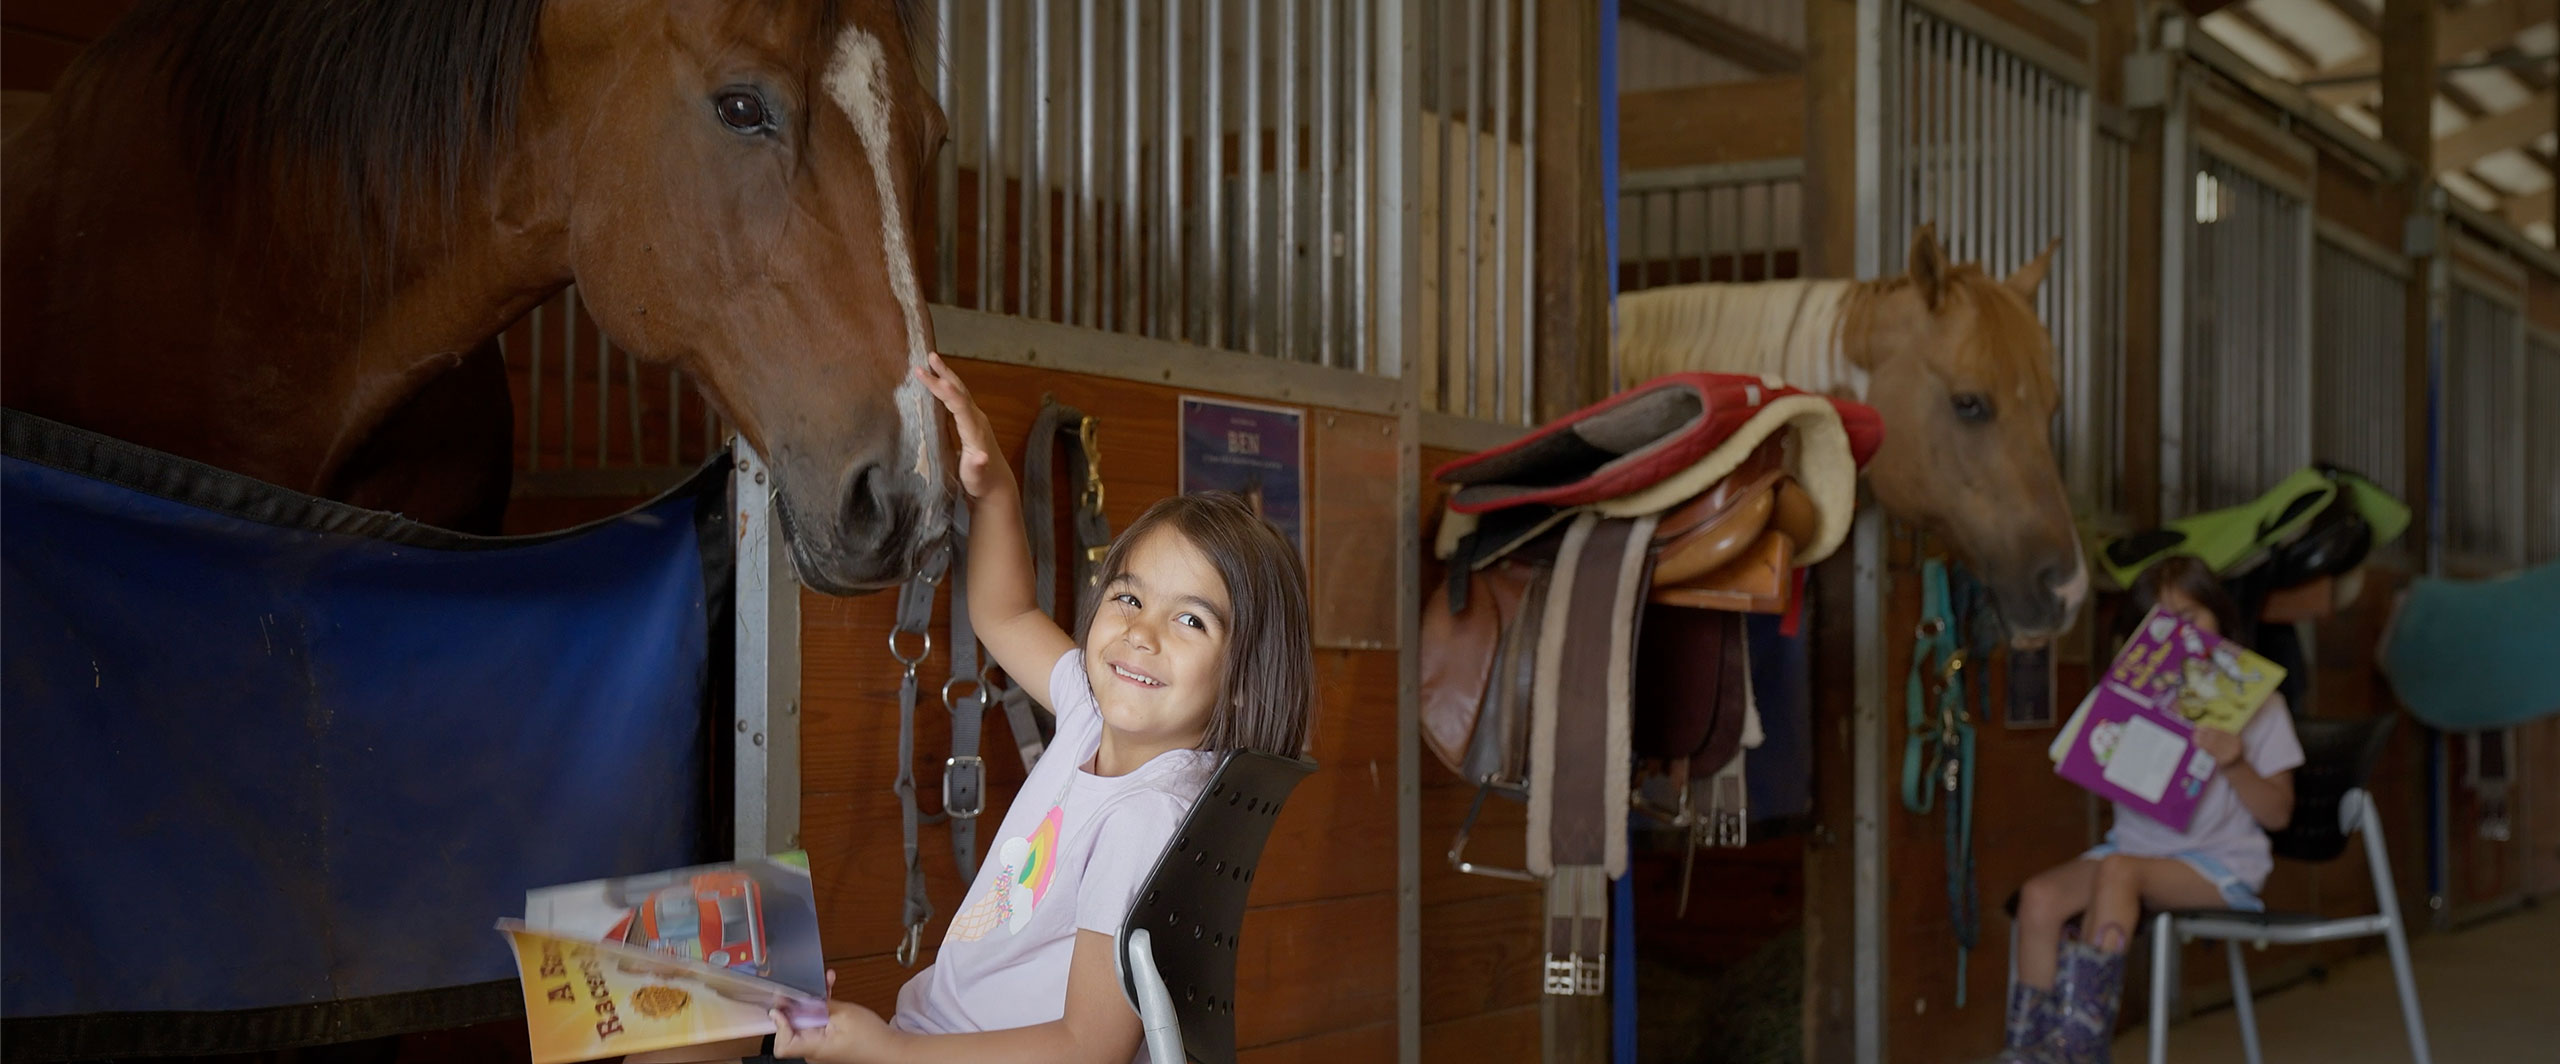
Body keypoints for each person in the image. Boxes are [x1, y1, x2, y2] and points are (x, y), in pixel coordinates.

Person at [768, 353, 1314, 1064]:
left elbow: (1087, 1048)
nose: (1140, 634)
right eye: (1129, 597)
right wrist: (993, 487)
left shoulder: (1144, 818)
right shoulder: (1093, 715)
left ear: (1244, 676)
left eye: (1191, 622)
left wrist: (882, 1049)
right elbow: (1006, 612)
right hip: (926, 1036)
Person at [2001, 557, 2303, 1064]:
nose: (2179, 634)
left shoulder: (2260, 706)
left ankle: (2080, 1046)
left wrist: (2234, 765)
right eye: (2160, 622)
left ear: (2221, 621)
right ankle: (2031, 1049)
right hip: (2134, 851)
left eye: (2191, 617)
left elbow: (2279, 816)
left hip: (2220, 866)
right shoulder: (2127, 696)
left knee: (2118, 872)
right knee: (2039, 897)